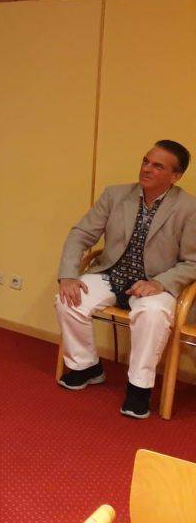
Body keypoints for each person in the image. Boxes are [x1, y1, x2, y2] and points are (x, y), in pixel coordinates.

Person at [55, 140, 196, 419]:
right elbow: (80, 234)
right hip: (111, 273)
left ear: (175, 176)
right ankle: (87, 367)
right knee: (67, 300)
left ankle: (139, 388)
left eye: (158, 166)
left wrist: (160, 283)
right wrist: (68, 275)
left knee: (152, 314)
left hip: (156, 283)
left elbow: (193, 261)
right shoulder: (116, 195)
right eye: (146, 161)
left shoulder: (190, 208)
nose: (147, 169)